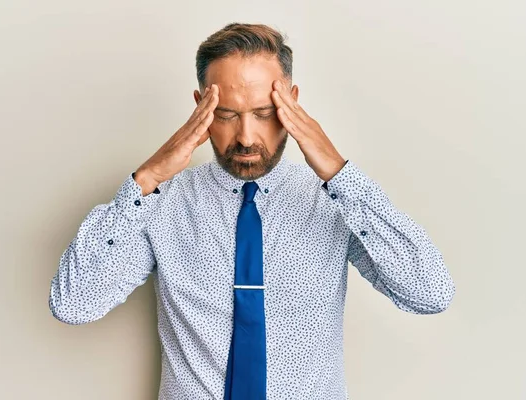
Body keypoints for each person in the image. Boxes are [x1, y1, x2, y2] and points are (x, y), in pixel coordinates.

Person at [49, 22, 455, 400]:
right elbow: (73, 304)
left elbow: (430, 293)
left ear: (291, 104)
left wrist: (338, 173)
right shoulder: (160, 203)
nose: (245, 137)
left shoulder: (334, 202)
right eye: (226, 115)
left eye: (263, 113)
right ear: (200, 109)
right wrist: (147, 178)